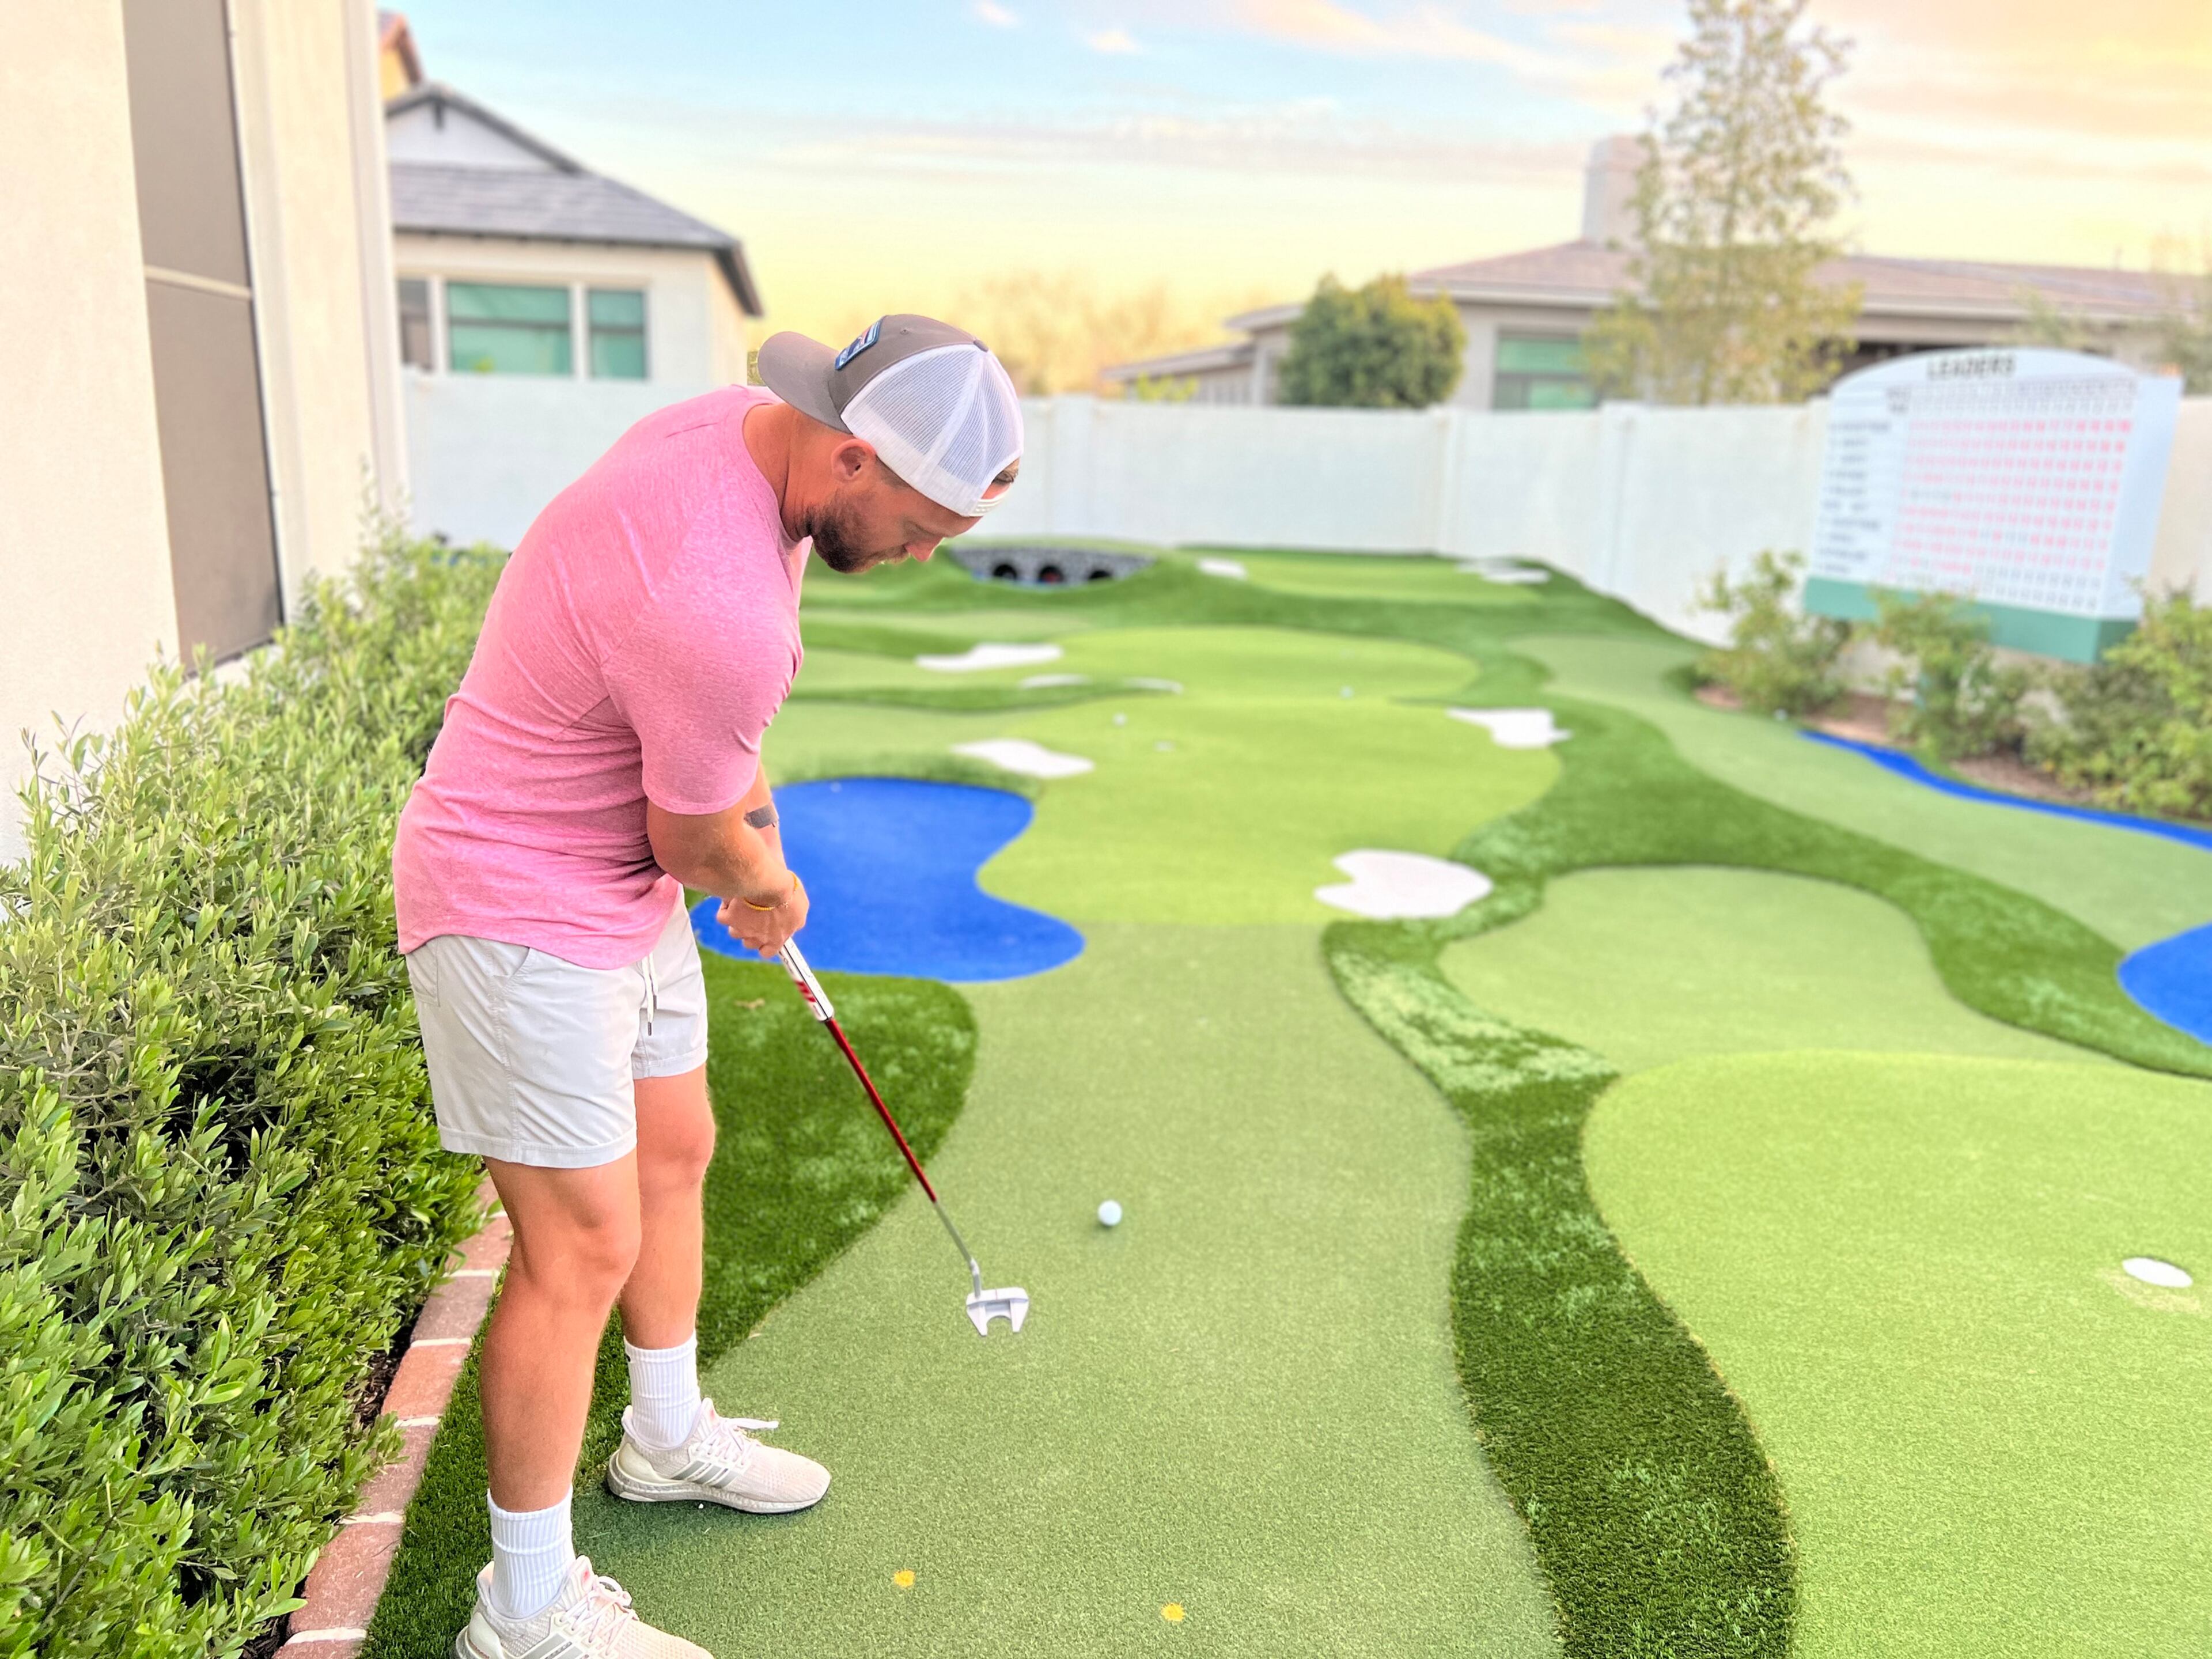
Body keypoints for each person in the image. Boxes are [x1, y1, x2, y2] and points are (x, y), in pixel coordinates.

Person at [393, 315, 1024, 1658]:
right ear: (854, 457)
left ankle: (667, 1434)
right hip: (518, 903)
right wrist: (764, 881)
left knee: (678, 1148)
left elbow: (701, 751)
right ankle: (521, 1609)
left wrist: (758, 839)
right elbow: (696, 837)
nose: (921, 556)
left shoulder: (734, 445)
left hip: (614, 883)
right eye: (921, 526)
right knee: (579, 1252)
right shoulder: (721, 595)